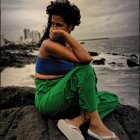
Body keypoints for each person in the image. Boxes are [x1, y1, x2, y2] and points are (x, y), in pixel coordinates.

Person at [34, 0, 119, 140]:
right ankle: (95, 125)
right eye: (52, 23)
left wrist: (67, 38)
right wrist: (66, 35)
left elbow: (83, 59)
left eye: (59, 25)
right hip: (48, 99)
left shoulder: (67, 45)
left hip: (66, 99)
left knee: (111, 98)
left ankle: (76, 122)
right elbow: (86, 60)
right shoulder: (47, 44)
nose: (53, 28)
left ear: (70, 27)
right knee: (85, 70)